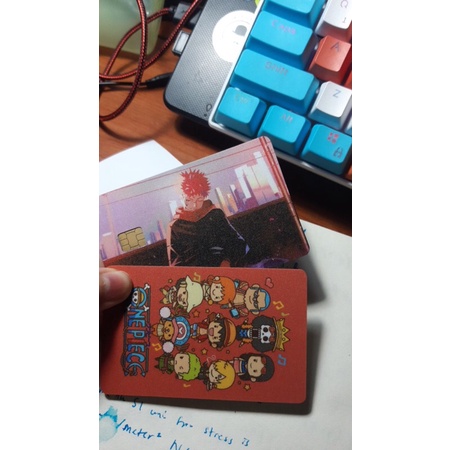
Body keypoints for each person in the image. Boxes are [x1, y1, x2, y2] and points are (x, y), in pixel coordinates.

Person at [166, 169, 249, 267]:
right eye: (189, 199)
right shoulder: (175, 226)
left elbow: (239, 243)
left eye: (198, 199)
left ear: (203, 197)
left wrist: (227, 261)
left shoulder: (215, 215)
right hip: (196, 275)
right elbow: (175, 264)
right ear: (183, 197)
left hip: (223, 270)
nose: (194, 204)